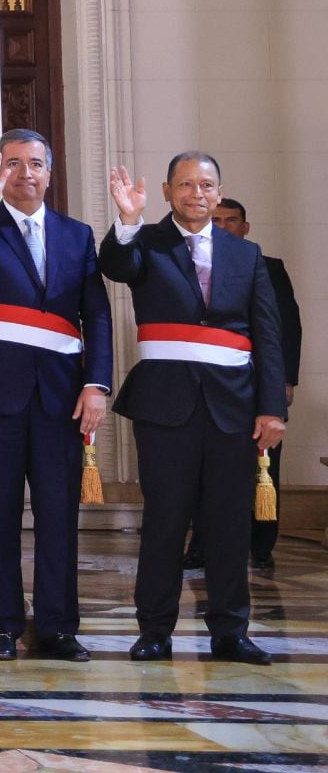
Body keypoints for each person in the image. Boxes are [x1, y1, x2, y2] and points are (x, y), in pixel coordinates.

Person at [0, 131, 113, 662]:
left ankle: (58, 627)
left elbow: (96, 314)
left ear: (50, 172)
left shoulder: (76, 234)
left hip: (62, 398)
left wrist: (97, 381)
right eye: (13, 163)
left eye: (35, 163)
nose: (25, 173)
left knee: (59, 516)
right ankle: (3, 627)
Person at [104, 154, 285, 665]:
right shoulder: (145, 242)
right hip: (166, 404)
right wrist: (128, 219)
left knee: (229, 522)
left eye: (206, 184)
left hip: (234, 406)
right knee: (164, 520)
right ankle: (155, 631)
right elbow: (115, 267)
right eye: (185, 184)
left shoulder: (245, 255)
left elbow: (267, 337)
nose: (196, 193)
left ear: (220, 190)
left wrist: (272, 408)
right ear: (167, 191)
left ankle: (230, 631)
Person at [187, 197, 301, 571]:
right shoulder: (193, 264)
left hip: (259, 382)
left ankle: (262, 547)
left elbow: (285, 327)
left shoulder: (267, 266)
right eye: (215, 220)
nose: (222, 226)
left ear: (245, 227)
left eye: (230, 220)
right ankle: (202, 546)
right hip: (210, 383)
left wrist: (285, 380)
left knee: (264, 465)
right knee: (205, 467)